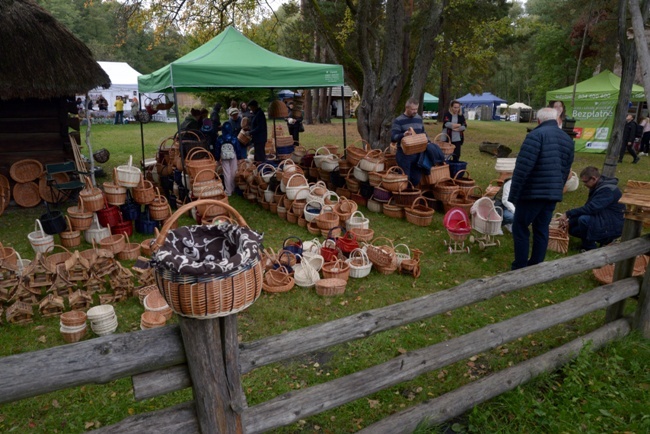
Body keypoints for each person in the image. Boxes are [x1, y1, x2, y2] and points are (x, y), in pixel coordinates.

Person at [508, 107, 575, 270]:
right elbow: (566, 170)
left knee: (520, 227)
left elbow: (523, 168)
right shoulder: (567, 139)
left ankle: (520, 266)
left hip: (532, 193)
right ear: (556, 119)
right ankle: (536, 265)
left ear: (539, 121)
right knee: (541, 228)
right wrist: (558, 189)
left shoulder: (535, 135)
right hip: (552, 194)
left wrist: (514, 195)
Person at [558, 166, 624, 252]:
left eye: (585, 182)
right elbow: (589, 208)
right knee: (571, 227)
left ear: (593, 179)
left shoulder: (607, 191)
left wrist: (568, 213)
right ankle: (595, 241)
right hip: (604, 218)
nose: (584, 185)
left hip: (613, 225)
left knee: (583, 220)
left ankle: (591, 248)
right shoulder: (598, 186)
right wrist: (570, 220)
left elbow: (591, 209)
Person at [391, 98, 446, 186]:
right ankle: (403, 197)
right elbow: (393, 137)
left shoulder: (418, 118)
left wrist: (427, 141)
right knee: (405, 179)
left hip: (418, 155)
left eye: (416, 109)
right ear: (407, 108)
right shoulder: (398, 120)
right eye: (413, 109)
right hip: (404, 155)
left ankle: (411, 196)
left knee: (416, 179)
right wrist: (403, 135)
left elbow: (423, 132)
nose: (415, 111)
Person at [216, 112, 246, 196]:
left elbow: (217, 149)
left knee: (226, 173)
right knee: (234, 171)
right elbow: (238, 148)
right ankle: (233, 188)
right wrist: (239, 158)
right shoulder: (233, 138)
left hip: (224, 157)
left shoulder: (220, 138)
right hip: (233, 156)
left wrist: (217, 159)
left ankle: (228, 191)